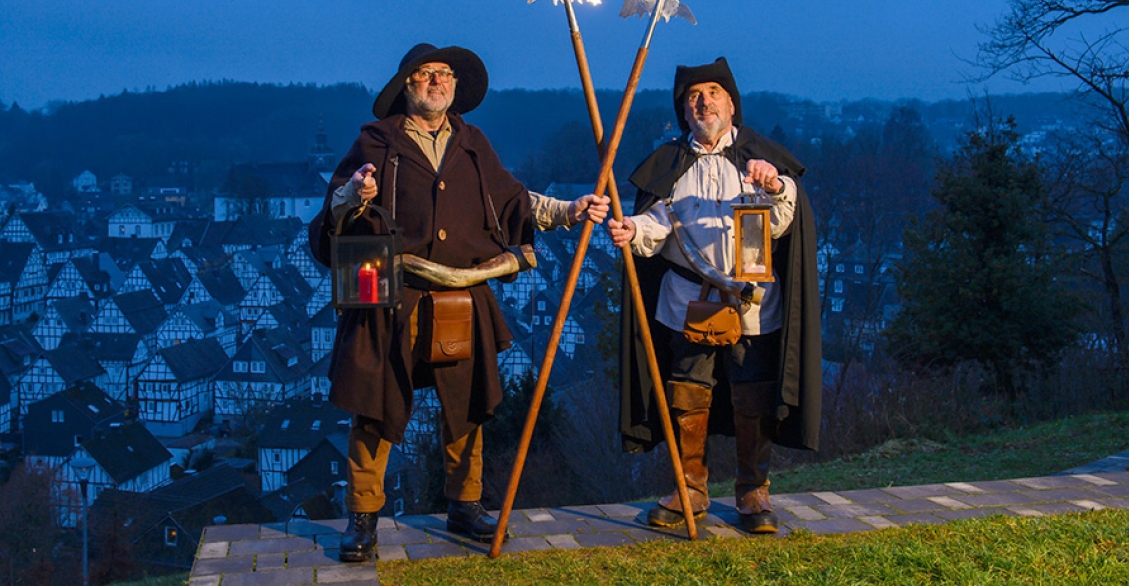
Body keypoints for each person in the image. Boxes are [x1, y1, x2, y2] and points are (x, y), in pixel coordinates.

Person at [309, 42, 606, 562]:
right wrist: (354, 194)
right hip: (388, 299)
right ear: (407, 84)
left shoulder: (471, 143)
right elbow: (334, 210)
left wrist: (570, 209)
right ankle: (362, 517)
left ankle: (465, 506)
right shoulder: (376, 142)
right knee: (373, 410)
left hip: (461, 295)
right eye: (425, 74)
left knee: (465, 408)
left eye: (444, 74)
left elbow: (515, 201)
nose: (437, 82)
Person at [607, 57, 821, 534]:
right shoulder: (670, 165)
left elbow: (783, 223)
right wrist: (631, 229)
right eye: (692, 97)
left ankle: (752, 492)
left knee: (754, 396)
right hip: (687, 301)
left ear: (731, 103)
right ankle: (690, 489)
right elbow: (657, 226)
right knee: (687, 394)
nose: (702, 103)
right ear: (684, 111)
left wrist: (777, 185)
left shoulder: (759, 160)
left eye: (712, 94)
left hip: (752, 304)